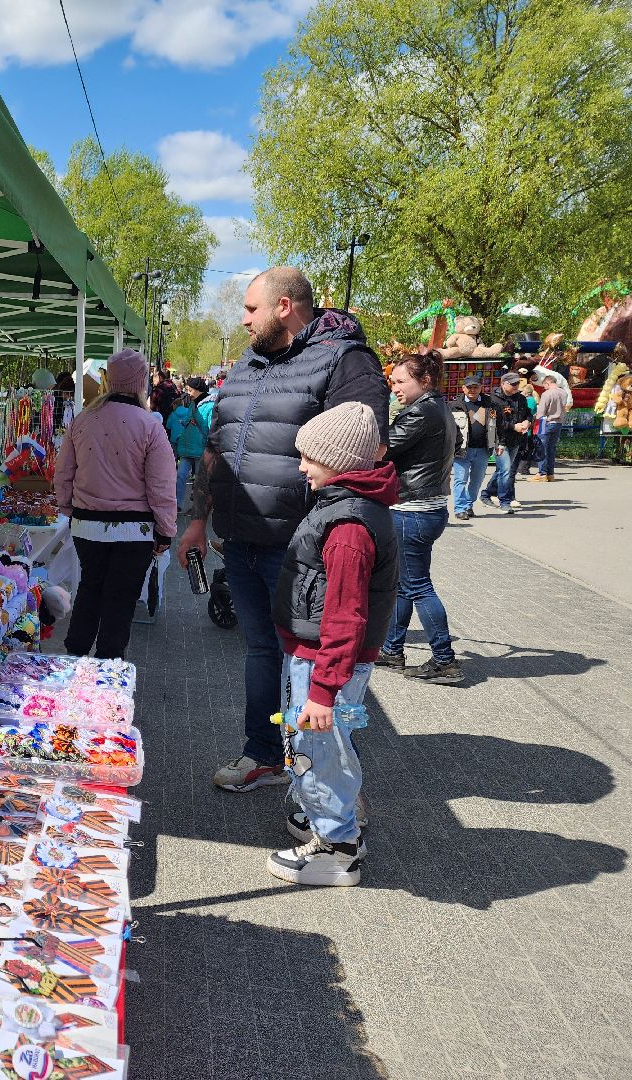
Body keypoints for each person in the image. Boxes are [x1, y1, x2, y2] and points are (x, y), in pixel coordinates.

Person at [179, 266, 389, 793]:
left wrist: (334, 533)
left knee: (312, 669)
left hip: (302, 550)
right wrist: (198, 519)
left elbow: (360, 449)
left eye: (251, 309)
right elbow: (216, 448)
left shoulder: (345, 360)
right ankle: (265, 755)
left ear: (285, 306)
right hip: (242, 539)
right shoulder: (248, 364)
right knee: (260, 652)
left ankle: (326, 794)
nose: (243, 319)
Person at [268, 402, 398, 886]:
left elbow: (345, 616)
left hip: (324, 661)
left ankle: (338, 845)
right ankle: (320, 813)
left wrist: (324, 689)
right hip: (315, 655)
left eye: (310, 458)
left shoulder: (347, 528)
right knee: (316, 743)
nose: (301, 466)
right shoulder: (343, 509)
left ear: (340, 462)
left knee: (321, 748)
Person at [54, 349, 176, 660]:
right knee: (120, 600)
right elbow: (161, 486)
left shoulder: (82, 420)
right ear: (140, 382)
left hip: (87, 527)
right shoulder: (149, 426)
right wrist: (165, 531)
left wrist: (69, 509)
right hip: (133, 533)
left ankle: (74, 659)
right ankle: (107, 668)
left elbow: (64, 472)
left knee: (90, 589)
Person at [379, 350, 460, 683]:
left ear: (424, 380)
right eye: (392, 381)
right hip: (424, 507)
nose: (395, 387)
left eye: (401, 381)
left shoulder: (421, 412)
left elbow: (382, 449)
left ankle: (445, 660)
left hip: (413, 510)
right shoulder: (436, 407)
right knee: (404, 584)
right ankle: (391, 649)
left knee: (418, 586)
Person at [481, 373, 532, 513]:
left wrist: (527, 421)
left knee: (502, 470)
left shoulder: (521, 398)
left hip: (516, 439)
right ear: (503, 383)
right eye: (513, 384)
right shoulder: (491, 400)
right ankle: (505, 501)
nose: (516, 386)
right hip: (499, 440)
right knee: (506, 470)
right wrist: (513, 426)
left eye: (517, 383)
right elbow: (491, 422)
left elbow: (528, 413)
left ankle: (486, 494)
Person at [450, 373, 495, 521]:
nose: (472, 390)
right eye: (469, 387)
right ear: (463, 388)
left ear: (481, 388)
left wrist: (496, 443)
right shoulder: (455, 405)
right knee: (460, 480)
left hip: (483, 450)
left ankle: (469, 504)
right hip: (462, 449)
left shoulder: (490, 403)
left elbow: (495, 425)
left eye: (475, 387)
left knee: (476, 480)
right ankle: (460, 508)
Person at [165, 376, 212, 510]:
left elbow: (210, 427)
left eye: (190, 390)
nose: (188, 393)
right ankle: (177, 504)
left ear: (198, 390)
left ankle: (198, 507)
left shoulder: (210, 405)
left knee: (199, 480)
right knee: (180, 476)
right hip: (187, 446)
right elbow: (187, 420)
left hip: (200, 447)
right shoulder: (192, 404)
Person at [529, 374, 569, 482]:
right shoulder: (564, 393)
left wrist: (534, 421)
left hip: (545, 422)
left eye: (544, 386)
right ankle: (550, 474)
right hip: (558, 423)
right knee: (551, 449)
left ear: (548, 383)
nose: (544, 388)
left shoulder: (547, 394)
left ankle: (542, 473)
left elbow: (541, 411)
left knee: (541, 448)